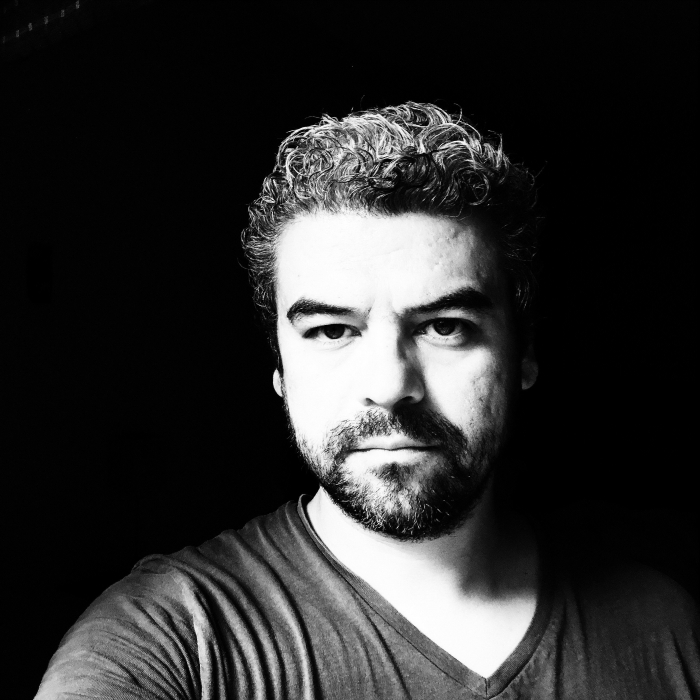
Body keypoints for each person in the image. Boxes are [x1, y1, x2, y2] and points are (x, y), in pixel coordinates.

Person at [35, 102, 698, 699]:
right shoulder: (169, 645)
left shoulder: (667, 629)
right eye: (332, 331)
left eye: (445, 327)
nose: (388, 384)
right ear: (280, 369)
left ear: (522, 353)